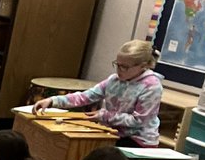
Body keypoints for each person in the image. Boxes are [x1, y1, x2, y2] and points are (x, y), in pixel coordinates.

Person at [33, 40, 163, 148]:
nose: (119, 70)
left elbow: (138, 121)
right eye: (117, 64)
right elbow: (85, 96)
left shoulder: (151, 86)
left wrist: (104, 115)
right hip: (112, 133)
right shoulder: (114, 80)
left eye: (125, 67)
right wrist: (52, 101)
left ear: (143, 66)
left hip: (138, 140)